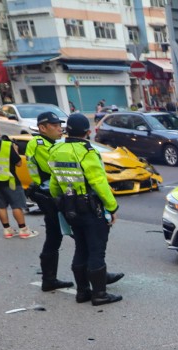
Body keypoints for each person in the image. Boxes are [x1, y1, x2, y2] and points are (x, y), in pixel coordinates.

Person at [48, 113, 122, 306]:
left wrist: (61, 201)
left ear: (67, 130)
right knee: (96, 250)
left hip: (69, 207)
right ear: (88, 132)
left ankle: (82, 292)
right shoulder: (87, 152)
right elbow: (98, 182)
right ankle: (100, 294)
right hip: (90, 208)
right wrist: (112, 206)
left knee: (80, 248)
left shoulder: (57, 150)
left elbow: (54, 183)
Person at [25, 111, 74, 291]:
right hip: (50, 195)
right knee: (82, 234)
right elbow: (56, 166)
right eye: (54, 126)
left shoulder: (47, 143)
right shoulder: (39, 144)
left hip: (48, 194)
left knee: (55, 237)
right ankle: (95, 276)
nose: (59, 129)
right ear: (42, 128)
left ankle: (49, 279)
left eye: (59, 125)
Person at [0, 118, 36, 239]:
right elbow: (18, 163)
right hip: (10, 180)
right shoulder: (5, 145)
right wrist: (16, 151)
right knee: (16, 206)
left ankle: (7, 230)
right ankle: (23, 230)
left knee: (1, 206)